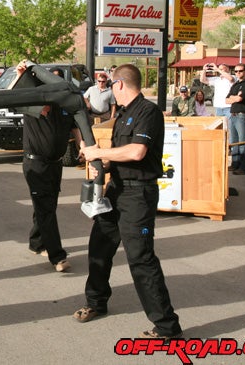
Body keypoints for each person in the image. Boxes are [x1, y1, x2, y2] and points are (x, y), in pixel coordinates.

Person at [73, 64, 183, 340]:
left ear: (120, 84)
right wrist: (104, 164)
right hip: (117, 190)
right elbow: (123, 155)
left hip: (138, 196)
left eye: (111, 84)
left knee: (141, 259)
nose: (109, 89)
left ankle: (168, 327)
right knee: (99, 246)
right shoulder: (123, 114)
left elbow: (136, 152)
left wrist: (99, 150)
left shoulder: (147, 111)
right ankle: (96, 302)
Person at [13, 60, 76, 272]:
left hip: (55, 165)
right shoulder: (33, 103)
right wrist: (24, 73)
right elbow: (16, 89)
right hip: (35, 164)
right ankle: (57, 257)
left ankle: (36, 242)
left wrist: (85, 147)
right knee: (45, 208)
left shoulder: (65, 107)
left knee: (47, 206)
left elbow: (77, 128)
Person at [226, 63, 245, 175]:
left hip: (243, 115)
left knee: (243, 142)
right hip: (233, 115)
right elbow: (226, 100)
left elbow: (239, 99)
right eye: (236, 71)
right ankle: (235, 164)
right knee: (234, 142)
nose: (238, 73)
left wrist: (235, 98)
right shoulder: (235, 84)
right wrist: (235, 97)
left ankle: (244, 167)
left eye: (240, 71)